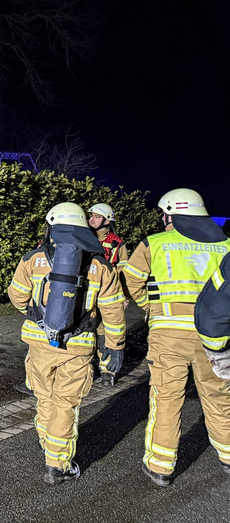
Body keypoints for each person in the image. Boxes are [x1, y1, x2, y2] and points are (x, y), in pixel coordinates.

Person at [8, 202, 126, 485]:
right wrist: (115, 346)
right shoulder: (100, 264)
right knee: (66, 403)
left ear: (51, 226)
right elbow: (113, 311)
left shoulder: (32, 259)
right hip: (79, 346)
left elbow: (16, 297)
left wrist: (37, 314)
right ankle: (57, 463)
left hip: (39, 344)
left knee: (45, 398)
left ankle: (49, 445)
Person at [123, 188, 230, 487]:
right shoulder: (226, 246)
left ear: (170, 214)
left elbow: (131, 282)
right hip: (215, 335)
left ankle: (161, 466)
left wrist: (150, 309)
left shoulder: (154, 243)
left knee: (166, 398)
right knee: (220, 396)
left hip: (168, 333)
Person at [88, 203, 130, 386]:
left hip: (107, 293)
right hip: (89, 292)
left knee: (105, 333)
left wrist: (125, 297)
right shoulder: (84, 237)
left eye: (96, 217)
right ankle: (85, 368)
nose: (92, 220)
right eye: (91, 216)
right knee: (85, 331)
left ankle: (107, 371)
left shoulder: (116, 243)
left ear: (107, 220)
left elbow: (123, 273)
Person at [195, 252, 230, 384]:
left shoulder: (154, 243)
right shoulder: (226, 244)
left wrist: (222, 361)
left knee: (168, 391)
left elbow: (212, 313)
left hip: (167, 325)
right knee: (215, 397)